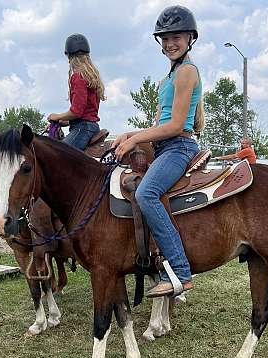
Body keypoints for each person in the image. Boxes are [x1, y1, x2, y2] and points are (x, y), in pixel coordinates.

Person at [114, 5, 203, 298]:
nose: (169, 43)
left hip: (177, 147)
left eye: (176, 36)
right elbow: (176, 123)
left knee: (146, 193)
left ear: (191, 37)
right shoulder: (168, 78)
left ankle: (179, 271)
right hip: (164, 146)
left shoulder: (187, 72)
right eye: (164, 39)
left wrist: (134, 138)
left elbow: (178, 125)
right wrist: (131, 136)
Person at [47, 34, 105, 151]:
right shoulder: (91, 77)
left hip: (82, 129)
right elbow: (85, 114)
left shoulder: (78, 77)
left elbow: (76, 112)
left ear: (69, 57)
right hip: (91, 127)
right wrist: (63, 122)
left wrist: (56, 116)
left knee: (57, 154)